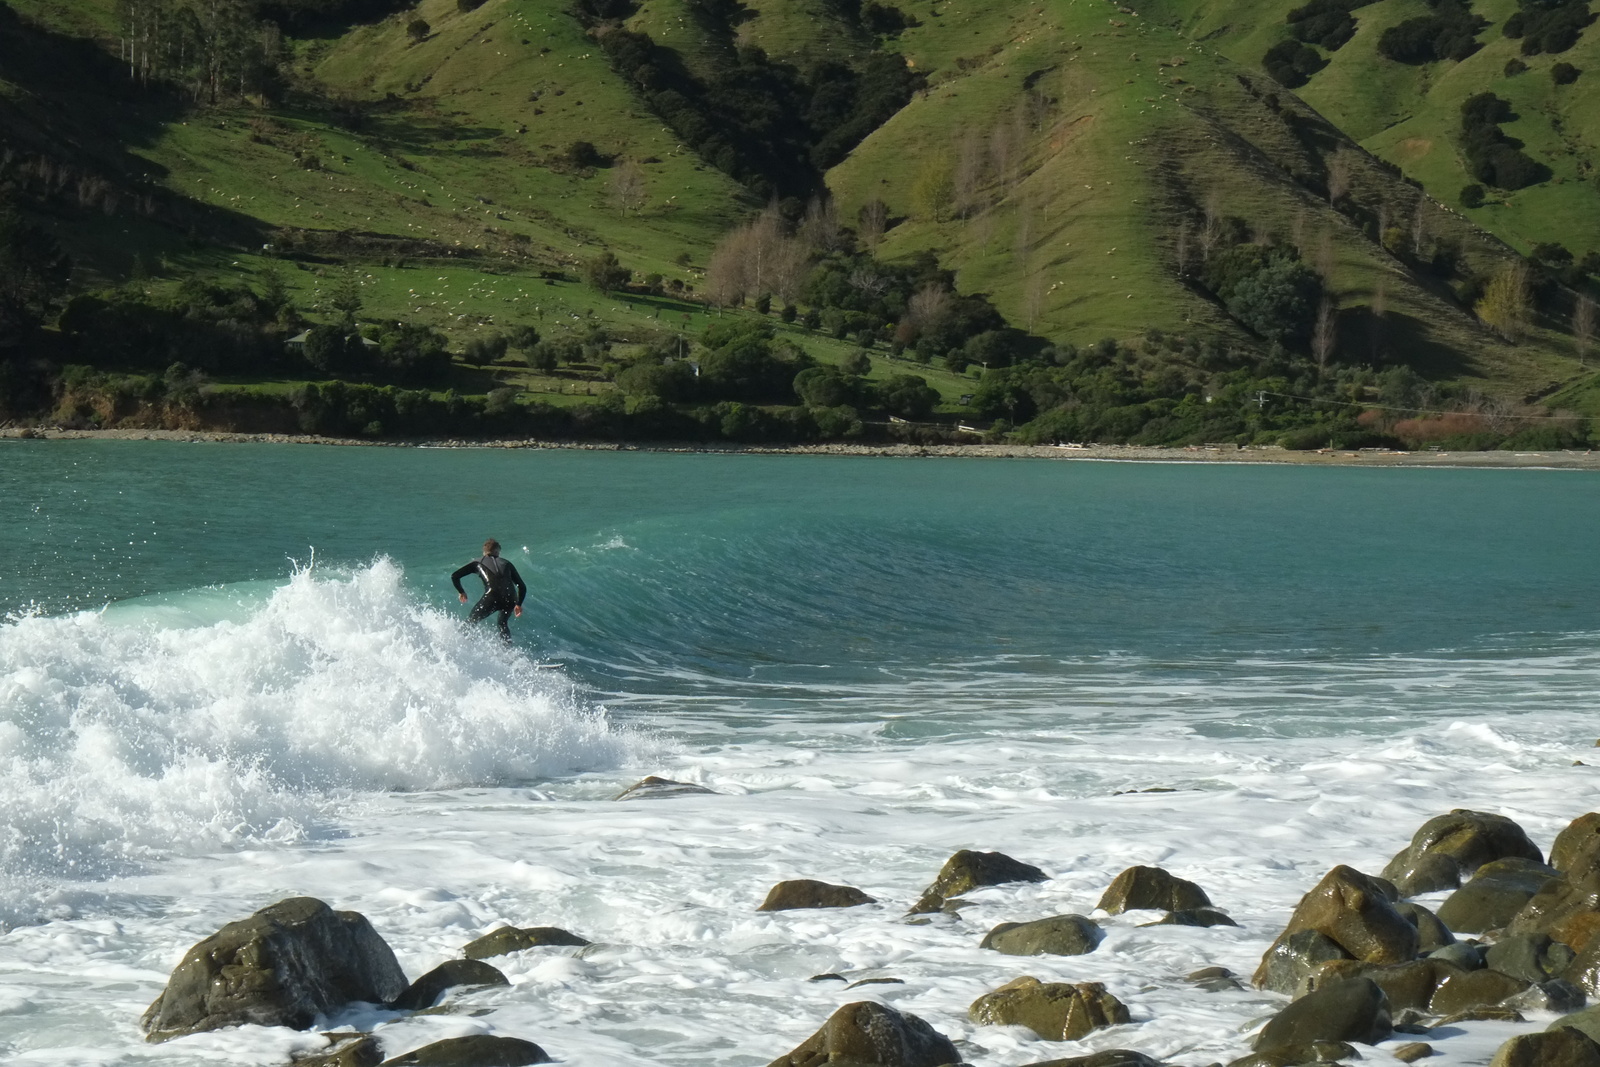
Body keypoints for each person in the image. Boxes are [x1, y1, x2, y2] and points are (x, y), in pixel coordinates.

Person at [451, 538, 526, 642]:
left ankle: (456, 643)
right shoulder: (507, 563)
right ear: (497, 551)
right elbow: (522, 586)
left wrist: (461, 591)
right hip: (510, 597)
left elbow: (454, 576)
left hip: (492, 596)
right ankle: (508, 651)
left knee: (471, 622)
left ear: (484, 552)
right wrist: (519, 604)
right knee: (502, 623)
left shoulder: (477, 562)